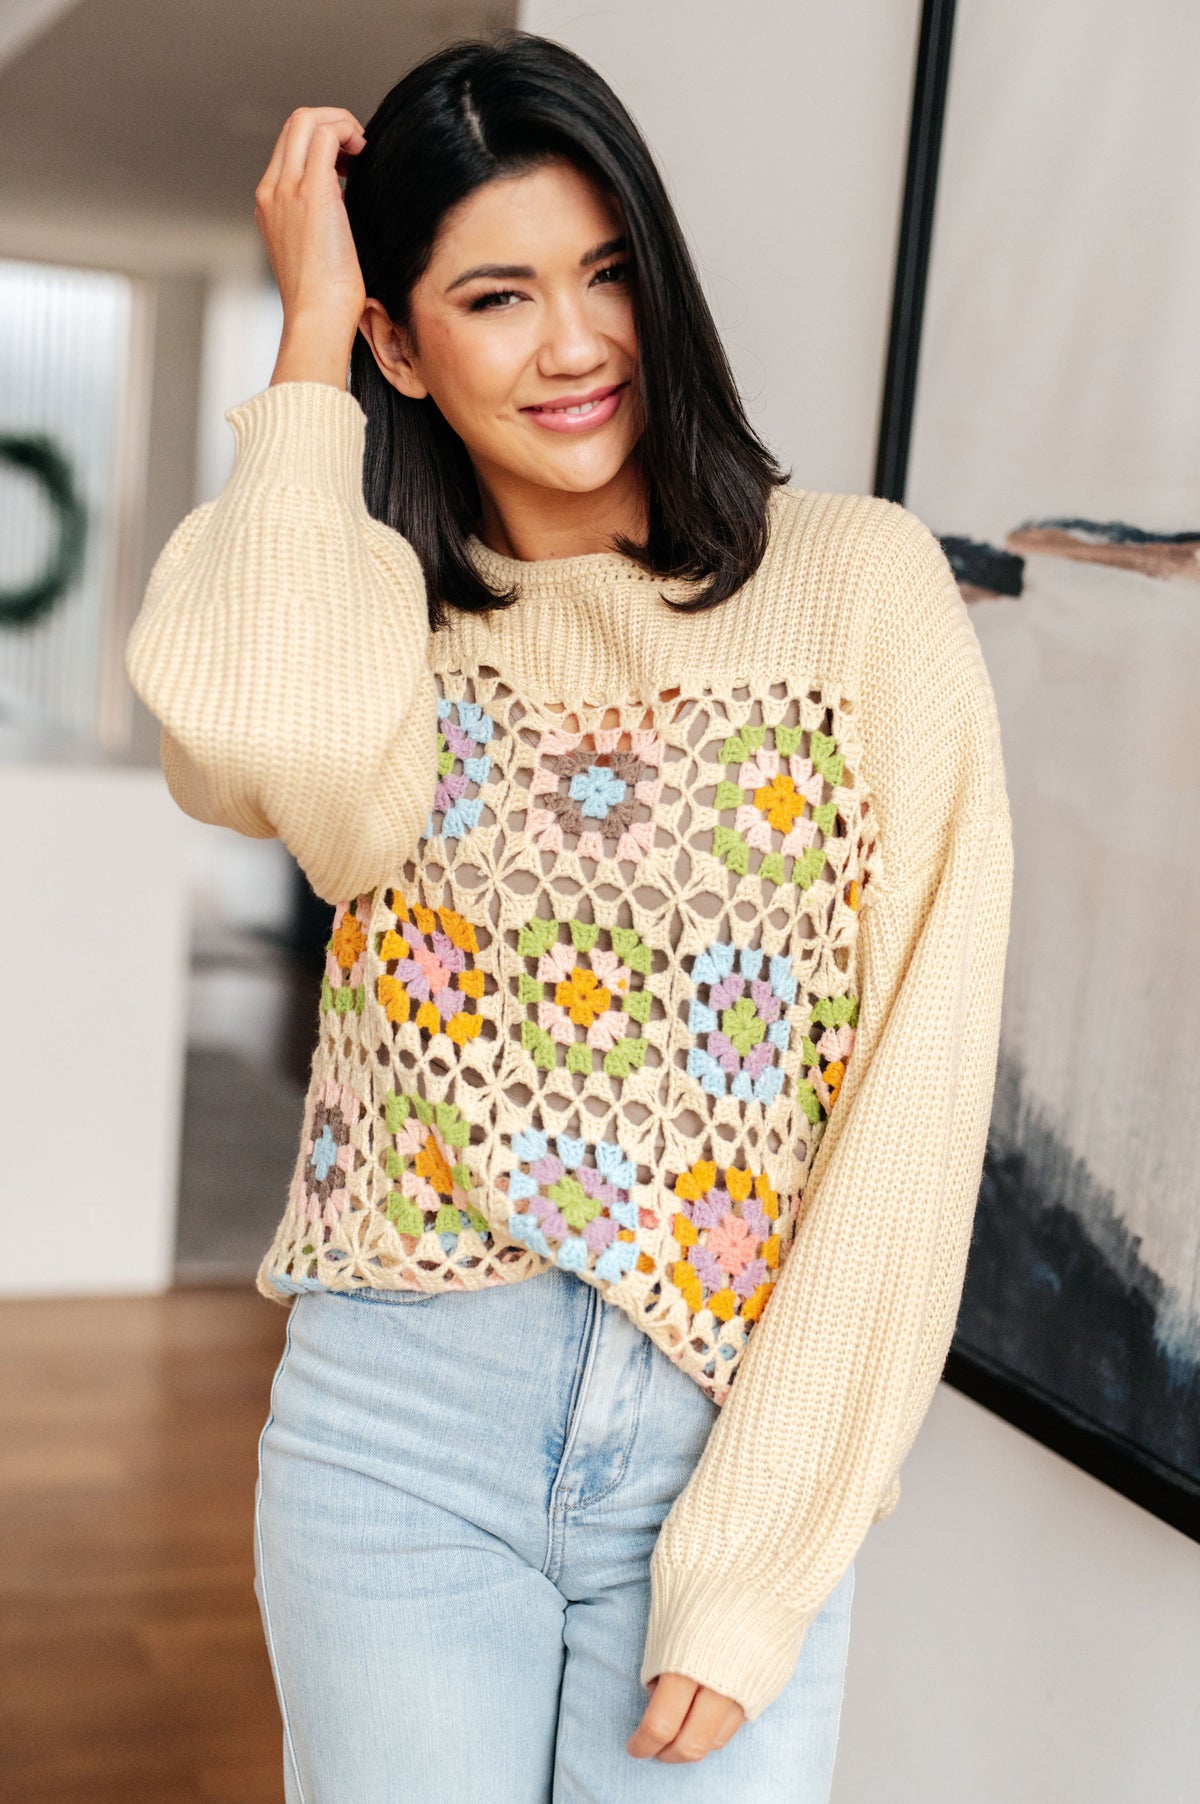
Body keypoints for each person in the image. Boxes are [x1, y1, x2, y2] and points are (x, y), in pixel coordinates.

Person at [125, 29, 1013, 1804]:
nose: (580, 342)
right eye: (499, 296)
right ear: (402, 338)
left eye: (609, 273)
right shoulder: (381, 628)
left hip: (719, 1444)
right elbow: (264, 744)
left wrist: (759, 1551)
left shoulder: (857, 590)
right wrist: (304, 347)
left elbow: (919, 1099)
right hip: (397, 1437)